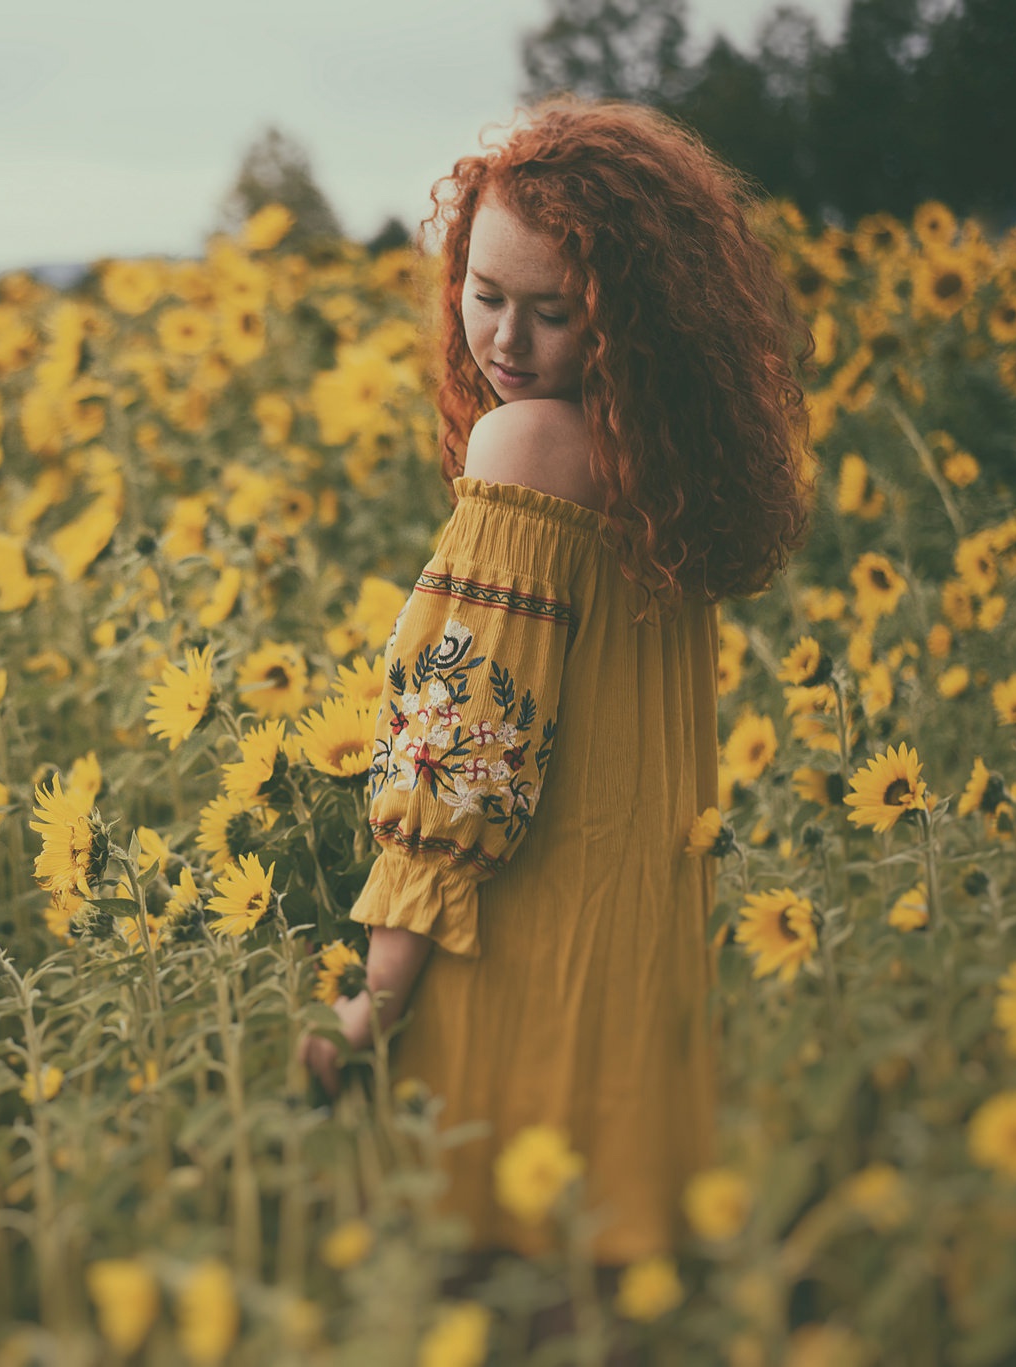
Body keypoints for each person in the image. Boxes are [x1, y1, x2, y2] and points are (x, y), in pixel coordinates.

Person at [297, 95, 813, 1351]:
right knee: (600, 1300)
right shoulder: (658, 462)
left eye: (550, 307)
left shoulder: (522, 445)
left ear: (622, 312)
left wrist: (377, 992)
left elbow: (462, 751)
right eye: (482, 293)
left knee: (489, 1297)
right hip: (637, 948)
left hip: (514, 947)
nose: (502, 340)